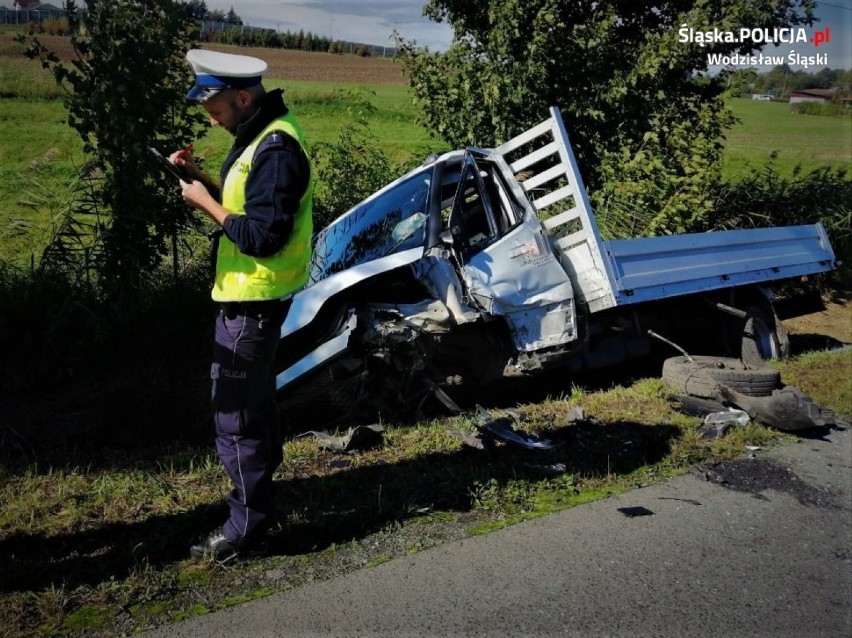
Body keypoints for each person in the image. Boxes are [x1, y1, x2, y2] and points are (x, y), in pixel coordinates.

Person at [171, 49, 314, 559]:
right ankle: (261, 501)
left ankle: (245, 525)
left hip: (252, 304)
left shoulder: (275, 149)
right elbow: (246, 208)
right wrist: (197, 180)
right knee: (253, 408)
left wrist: (205, 204)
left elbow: (262, 235)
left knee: (236, 417)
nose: (209, 115)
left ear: (243, 96)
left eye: (214, 106)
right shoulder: (258, 135)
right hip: (249, 300)